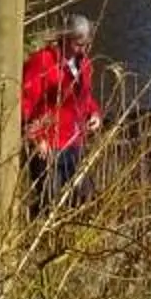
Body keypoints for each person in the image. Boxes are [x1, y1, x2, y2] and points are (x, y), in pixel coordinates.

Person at [19, 15, 102, 208]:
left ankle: (72, 237)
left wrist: (95, 115)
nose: (83, 49)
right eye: (78, 44)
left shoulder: (85, 65)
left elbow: (86, 98)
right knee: (51, 201)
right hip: (49, 145)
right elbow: (25, 101)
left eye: (86, 44)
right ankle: (44, 235)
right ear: (65, 38)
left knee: (84, 197)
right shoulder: (42, 61)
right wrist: (36, 137)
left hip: (75, 141)